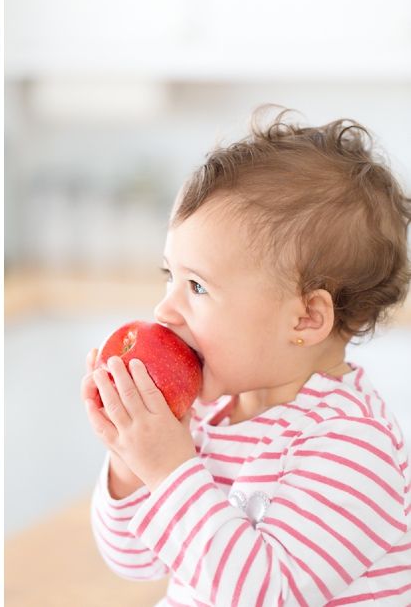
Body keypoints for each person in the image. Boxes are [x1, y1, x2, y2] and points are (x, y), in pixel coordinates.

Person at [81, 109, 411, 606]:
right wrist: (131, 461)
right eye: (168, 275)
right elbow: (134, 561)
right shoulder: (210, 414)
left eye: (197, 286)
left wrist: (170, 468)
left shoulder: (352, 446)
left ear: (305, 319)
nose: (165, 308)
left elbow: (265, 595)